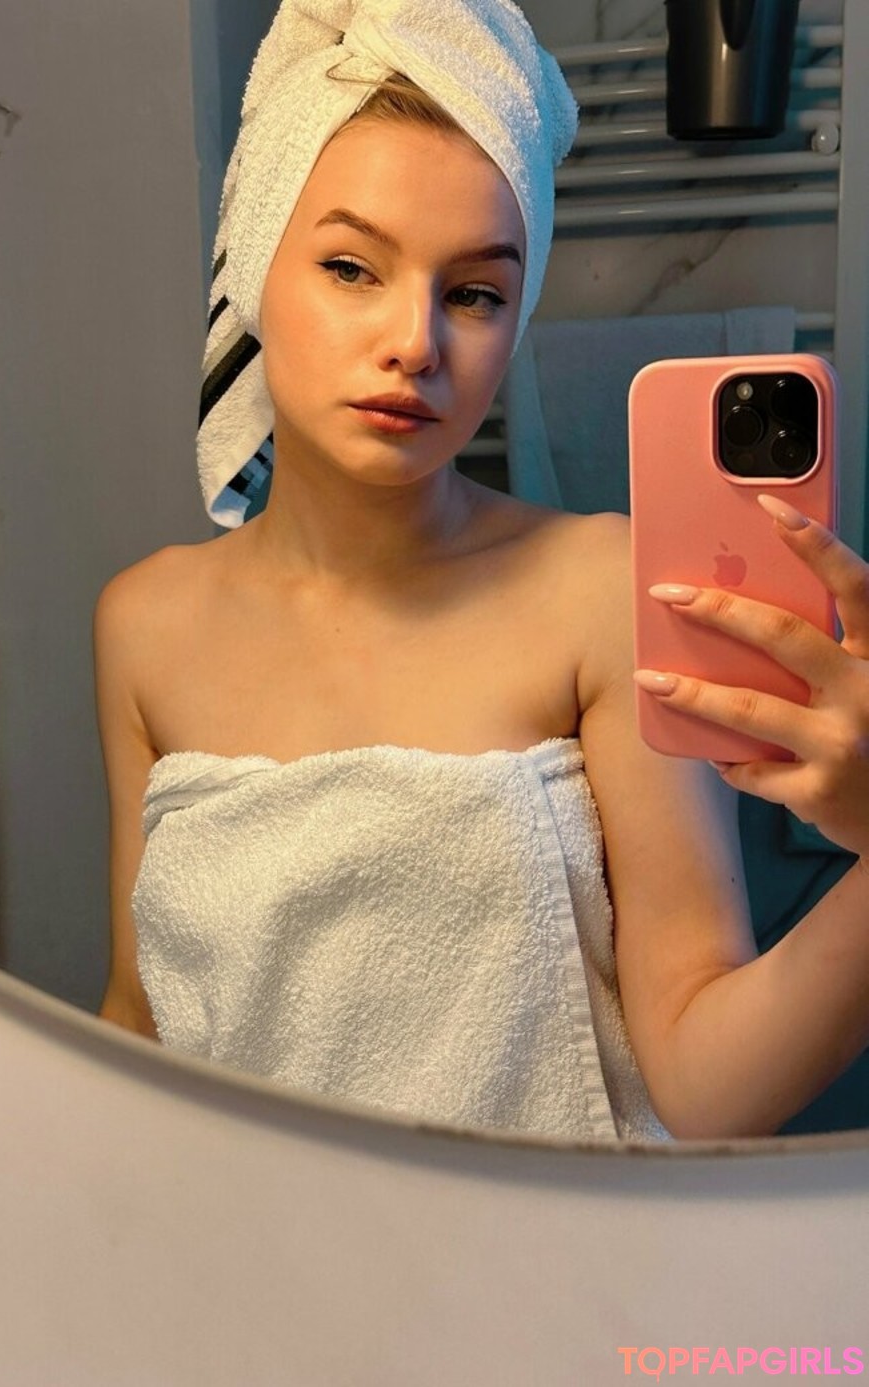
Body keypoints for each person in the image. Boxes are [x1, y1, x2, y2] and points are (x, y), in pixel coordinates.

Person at [94, 0, 869, 1140]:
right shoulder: (145, 624)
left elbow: (708, 1090)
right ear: (256, 265)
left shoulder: (600, 593)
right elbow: (141, 1016)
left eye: (473, 293)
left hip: (546, 1245)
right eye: (351, 267)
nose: (416, 341)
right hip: (245, 1242)